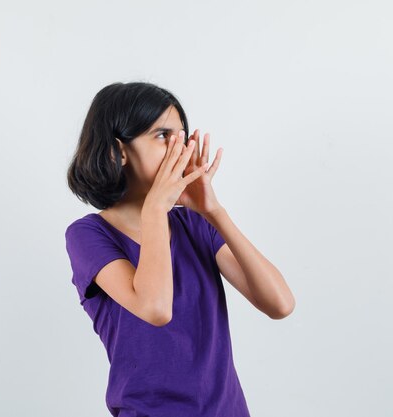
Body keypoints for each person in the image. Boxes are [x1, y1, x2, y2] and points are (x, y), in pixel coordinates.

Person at [64, 81, 295, 417]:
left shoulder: (194, 224)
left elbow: (280, 304)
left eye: (181, 137)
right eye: (162, 135)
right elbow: (155, 308)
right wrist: (156, 209)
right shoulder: (88, 235)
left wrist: (214, 212)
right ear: (120, 151)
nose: (179, 148)